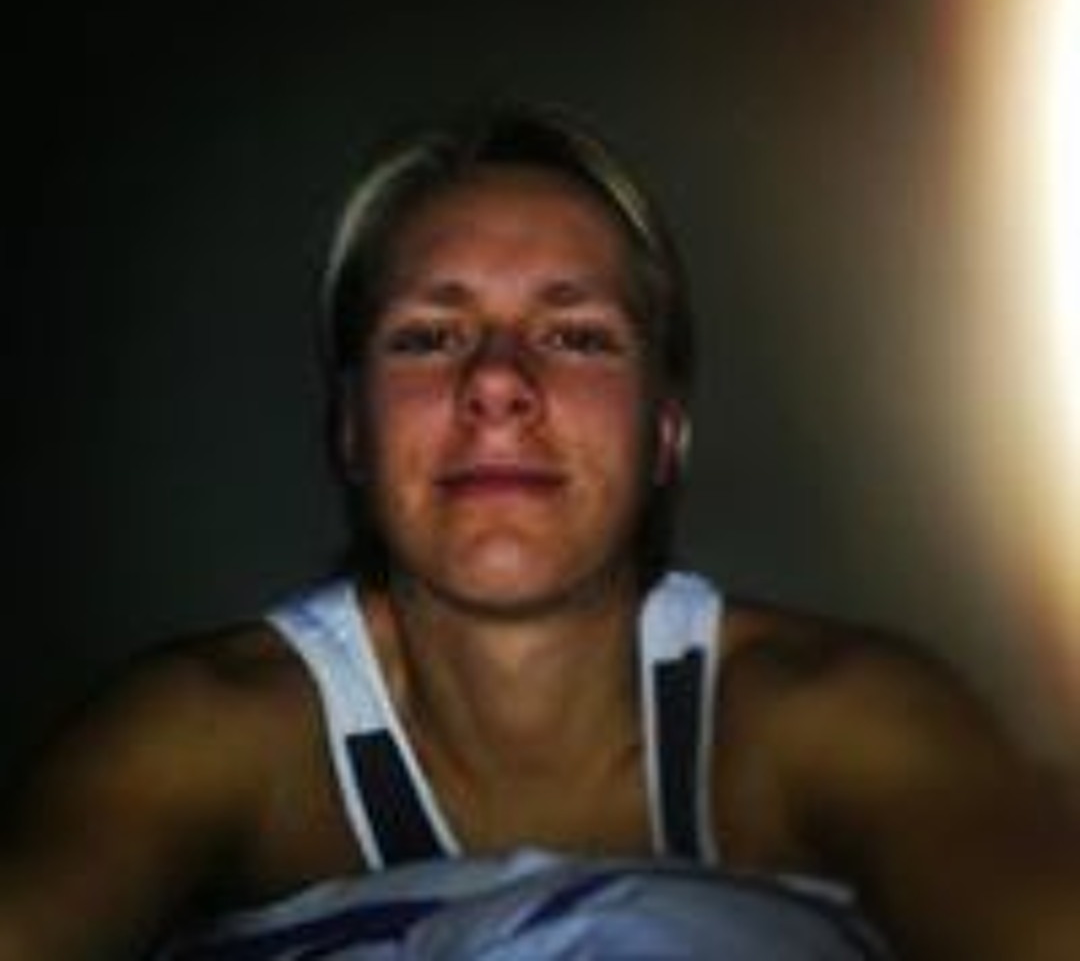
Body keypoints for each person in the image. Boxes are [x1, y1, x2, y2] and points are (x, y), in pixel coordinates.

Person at [0, 103, 1077, 960]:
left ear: (665, 432)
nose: (499, 383)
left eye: (576, 335)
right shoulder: (201, 739)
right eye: (429, 337)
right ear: (351, 432)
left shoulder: (837, 724)